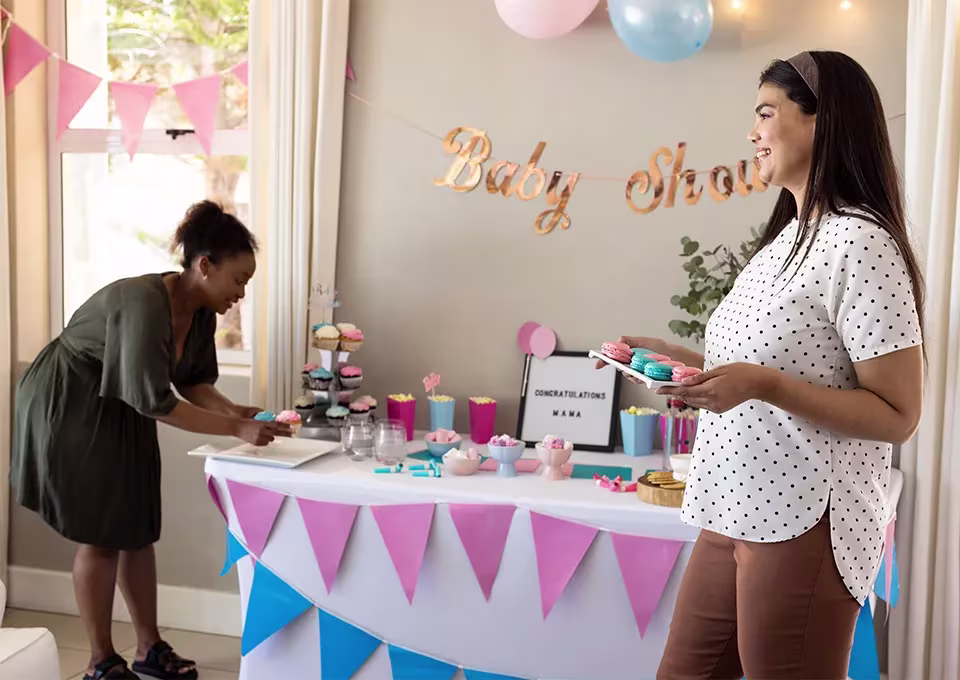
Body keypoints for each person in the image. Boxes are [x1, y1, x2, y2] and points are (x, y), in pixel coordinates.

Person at [604, 51, 925, 678]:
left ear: (820, 121)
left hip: (803, 516)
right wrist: (683, 364)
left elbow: (897, 414)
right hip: (731, 501)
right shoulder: (784, 238)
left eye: (765, 113)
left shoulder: (861, 242)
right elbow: (767, 370)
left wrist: (764, 385)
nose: (752, 133)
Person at [11, 201, 291, 680]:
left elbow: (193, 380)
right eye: (239, 279)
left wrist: (233, 410)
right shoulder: (142, 303)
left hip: (123, 401)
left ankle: (149, 648)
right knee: (101, 533)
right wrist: (234, 430)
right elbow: (155, 402)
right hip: (73, 402)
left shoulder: (202, 311)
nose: (241, 293)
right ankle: (101, 660)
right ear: (205, 266)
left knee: (137, 526)